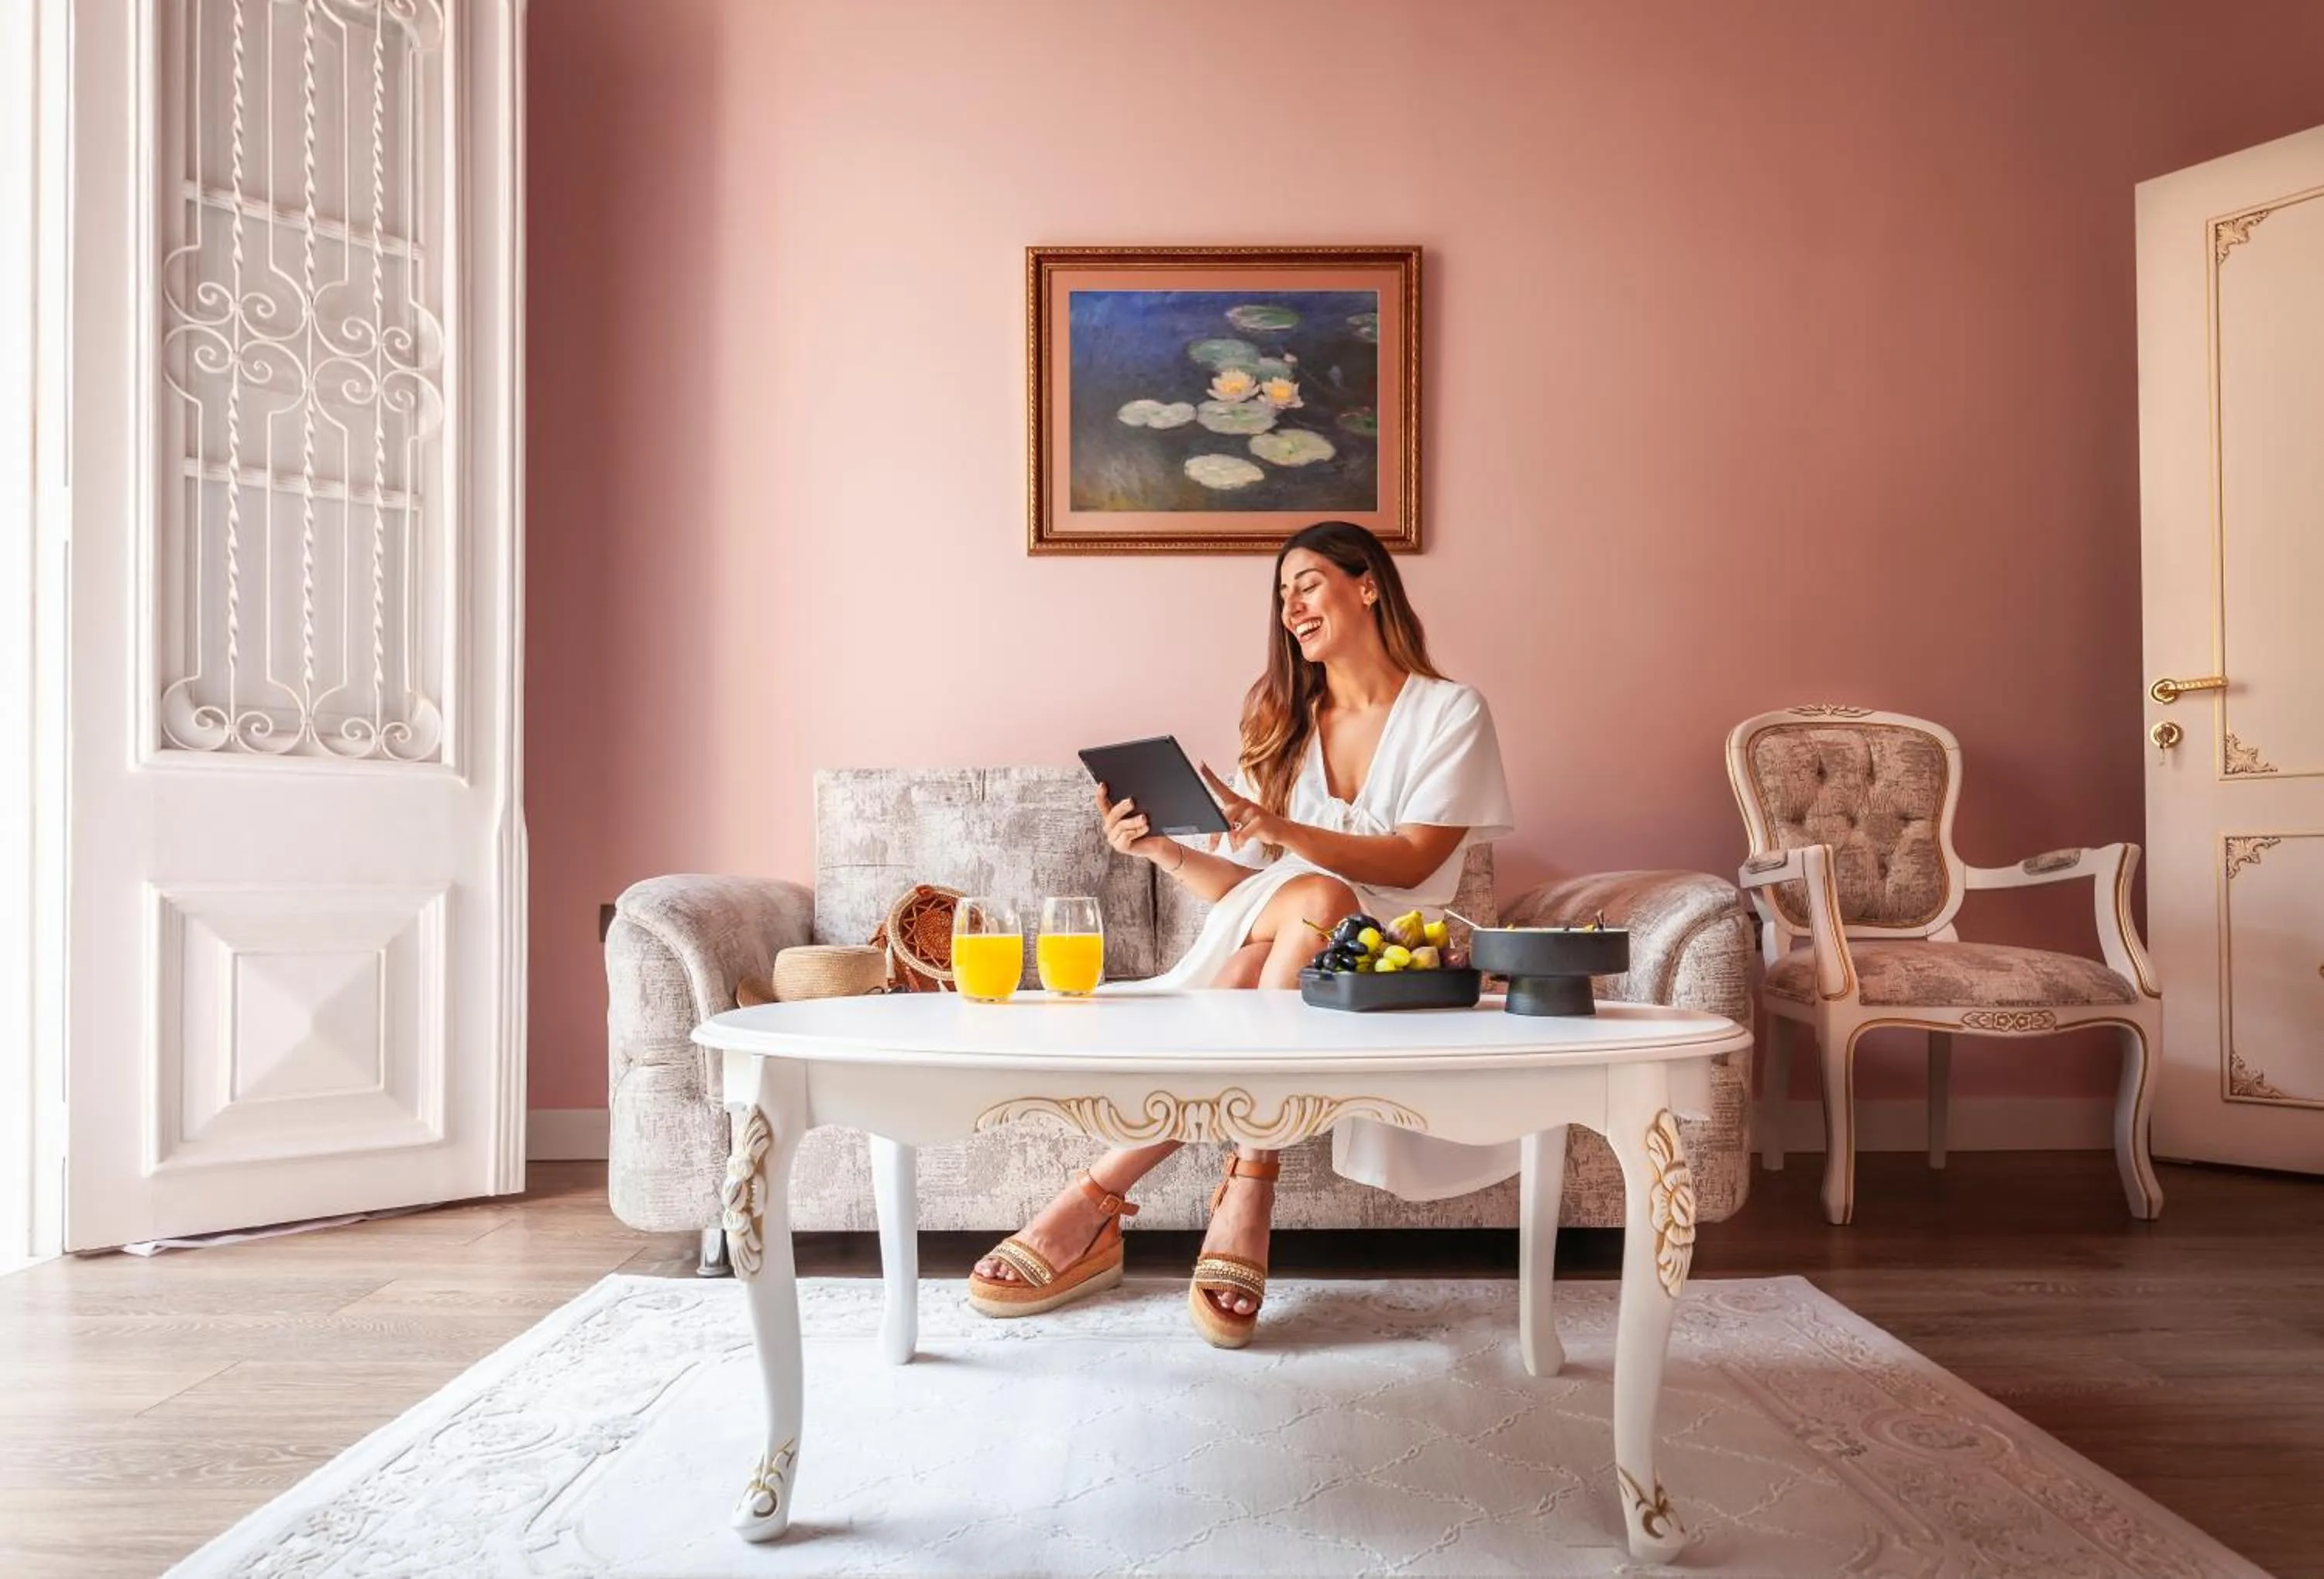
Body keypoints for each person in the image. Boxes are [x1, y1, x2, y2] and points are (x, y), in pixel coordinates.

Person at [965, 521, 1514, 1347]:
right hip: (1286, 914)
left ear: (1369, 585)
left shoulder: (1449, 712)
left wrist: (1279, 826)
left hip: (1380, 955)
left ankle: (1098, 1196)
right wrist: (1162, 850)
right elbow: (1244, 885)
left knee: (1297, 922)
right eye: (1282, 594)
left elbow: (1410, 862)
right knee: (1311, 899)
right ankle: (1249, 1179)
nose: (1291, 606)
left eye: (1309, 583)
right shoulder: (1280, 717)